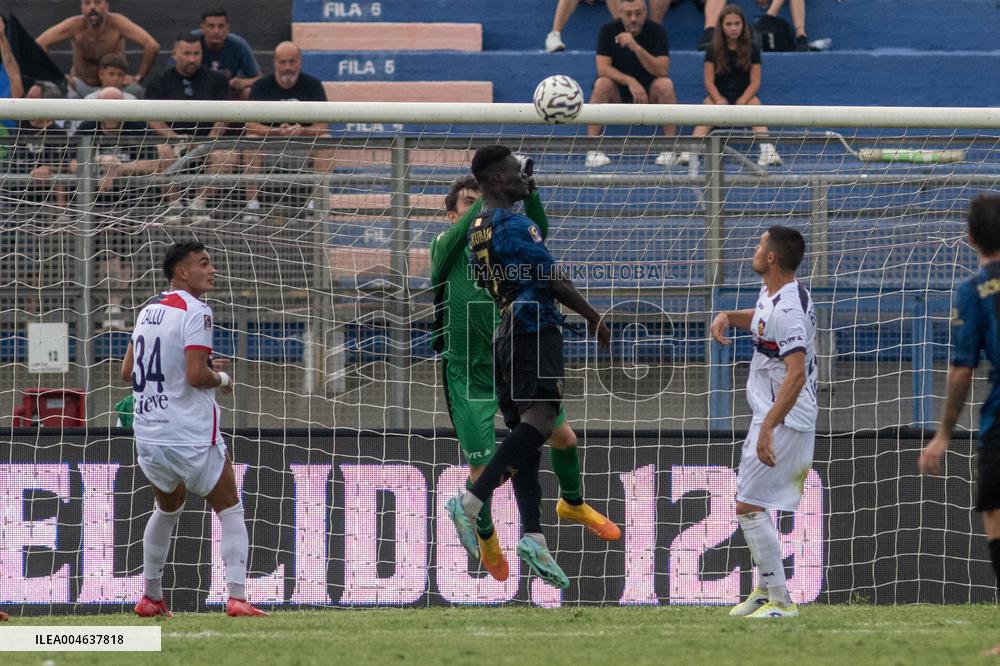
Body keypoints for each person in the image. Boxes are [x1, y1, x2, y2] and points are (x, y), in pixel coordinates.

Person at [432, 174, 620, 580]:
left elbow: (539, 233)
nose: (478, 207)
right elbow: (469, 231)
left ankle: (570, 504)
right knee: (483, 467)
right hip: (469, 375)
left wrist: (529, 192)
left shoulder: (501, 247)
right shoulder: (445, 247)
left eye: (480, 201)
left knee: (563, 437)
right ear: (451, 216)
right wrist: (487, 205)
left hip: (511, 355)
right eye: (468, 203)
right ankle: (487, 539)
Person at [122, 241, 267, 618]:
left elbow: (127, 373)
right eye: (204, 263)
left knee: (166, 508)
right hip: (189, 433)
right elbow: (196, 375)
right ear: (182, 273)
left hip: (150, 433)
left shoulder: (147, 309)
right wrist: (223, 377)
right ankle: (236, 596)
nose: (212, 270)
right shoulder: (196, 310)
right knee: (230, 507)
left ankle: (151, 596)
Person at [710, 225, 816, 618]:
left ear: (771, 257)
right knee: (752, 502)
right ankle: (764, 588)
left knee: (748, 505)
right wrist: (726, 315)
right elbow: (759, 320)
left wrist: (770, 426)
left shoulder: (788, 311)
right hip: (770, 412)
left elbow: (796, 373)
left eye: (759, 245)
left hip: (785, 417)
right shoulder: (777, 294)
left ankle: (782, 602)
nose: (754, 250)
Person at [920, 195, 1000, 652]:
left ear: (969, 238)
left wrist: (944, 433)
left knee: (995, 512)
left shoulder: (973, 291)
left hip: (999, 419)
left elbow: (962, 370)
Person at [682, 4, 782, 168]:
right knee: (707, 105)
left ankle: (767, 150)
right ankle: (691, 151)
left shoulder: (752, 48)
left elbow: (755, 81)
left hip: (744, 96)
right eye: (729, 24)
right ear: (721, 26)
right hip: (719, 96)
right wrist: (718, 99)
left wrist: (742, 101)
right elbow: (708, 80)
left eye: (737, 24)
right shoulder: (712, 49)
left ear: (743, 25)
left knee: (755, 103)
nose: (733, 28)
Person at [145, 34, 233, 219]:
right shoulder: (159, 81)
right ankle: (175, 206)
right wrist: (177, 139)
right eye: (187, 53)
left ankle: (198, 205)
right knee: (163, 151)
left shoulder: (217, 79)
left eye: (196, 53)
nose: (192, 59)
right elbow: (152, 118)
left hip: (207, 143)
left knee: (226, 155)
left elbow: (225, 115)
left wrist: (208, 141)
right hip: (173, 144)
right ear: (175, 54)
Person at [244, 41, 333, 220]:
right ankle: (251, 205)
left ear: (300, 61)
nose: (287, 67)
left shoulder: (313, 85)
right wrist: (276, 131)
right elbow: (250, 125)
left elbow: (323, 126)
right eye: (283, 62)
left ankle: (316, 204)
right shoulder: (261, 86)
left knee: (326, 140)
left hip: (301, 148)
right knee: (251, 140)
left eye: (292, 62)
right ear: (275, 62)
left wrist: (302, 131)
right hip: (270, 147)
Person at [585, 0, 677, 169]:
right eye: (628, 14)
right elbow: (602, 68)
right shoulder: (608, 30)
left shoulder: (657, 31)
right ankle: (593, 150)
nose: (633, 18)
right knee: (602, 84)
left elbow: (662, 70)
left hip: (649, 93)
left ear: (645, 11)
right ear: (620, 13)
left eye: (638, 13)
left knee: (666, 85)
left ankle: (669, 149)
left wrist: (636, 47)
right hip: (619, 92)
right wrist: (630, 81)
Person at [36, 0, 158, 99]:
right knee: (57, 89)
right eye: (87, 3)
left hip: (114, 85)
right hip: (81, 84)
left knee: (136, 90)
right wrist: (57, 75)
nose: (92, 7)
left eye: (98, 2)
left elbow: (151, 46)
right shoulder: (74, 25)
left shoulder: (118, 23)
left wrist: (138, 77)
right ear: (81, 7)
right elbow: (40, 43)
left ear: (107, 5)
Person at [194, 8, 261, 100]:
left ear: (227, 28)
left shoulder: (238, 45)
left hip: (226, 92)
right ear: (202, 28)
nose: (216, 31)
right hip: (195, 90)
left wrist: (242, 82)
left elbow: (258, 78)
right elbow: (173, 74)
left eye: (221, 26)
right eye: (211, 26)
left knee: (248, 92)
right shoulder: (191, 42)